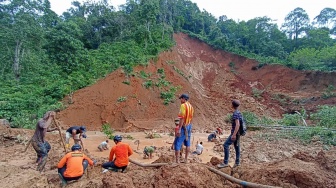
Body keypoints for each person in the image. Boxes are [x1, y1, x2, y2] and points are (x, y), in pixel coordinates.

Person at [218, 100, 242, 168]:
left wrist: (234, 134)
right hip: (238, 133)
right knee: (237, 147)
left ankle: (225, 162)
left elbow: (237, 125)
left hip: (235, 133)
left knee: (225, 145)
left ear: (232, 105)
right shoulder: (239, 112)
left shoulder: (235, 113)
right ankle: (237, 162)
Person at [175, 93, 194, 163]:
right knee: (188, 143)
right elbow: (191, 118)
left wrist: (179, 129)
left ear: (183, 99)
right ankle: (186, 159)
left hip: (183, 126)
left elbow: (182, 118)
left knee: (178, 143)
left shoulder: (183, 106)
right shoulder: (191, 106)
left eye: (181, 99)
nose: (180, 100)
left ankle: (177, 161)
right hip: (189, 125)